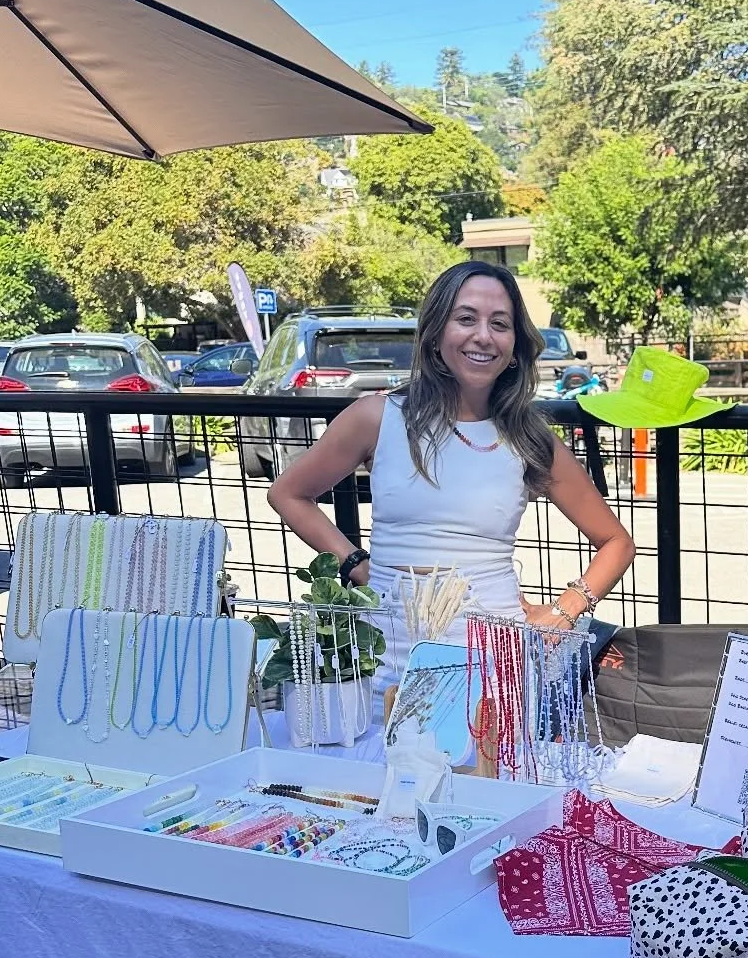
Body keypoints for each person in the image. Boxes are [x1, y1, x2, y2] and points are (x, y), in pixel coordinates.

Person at [267, 260, 635, 682]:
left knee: (485, 747)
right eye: (465, 318)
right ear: (436, 331)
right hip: (388, 657)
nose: (483, 336)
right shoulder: (377, 418)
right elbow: (288, 494)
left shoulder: (529, 438)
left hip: (495, 664)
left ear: (515, 344)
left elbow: (616, 542)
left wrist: (565, 610)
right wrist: (357, 564)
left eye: (500, 323)